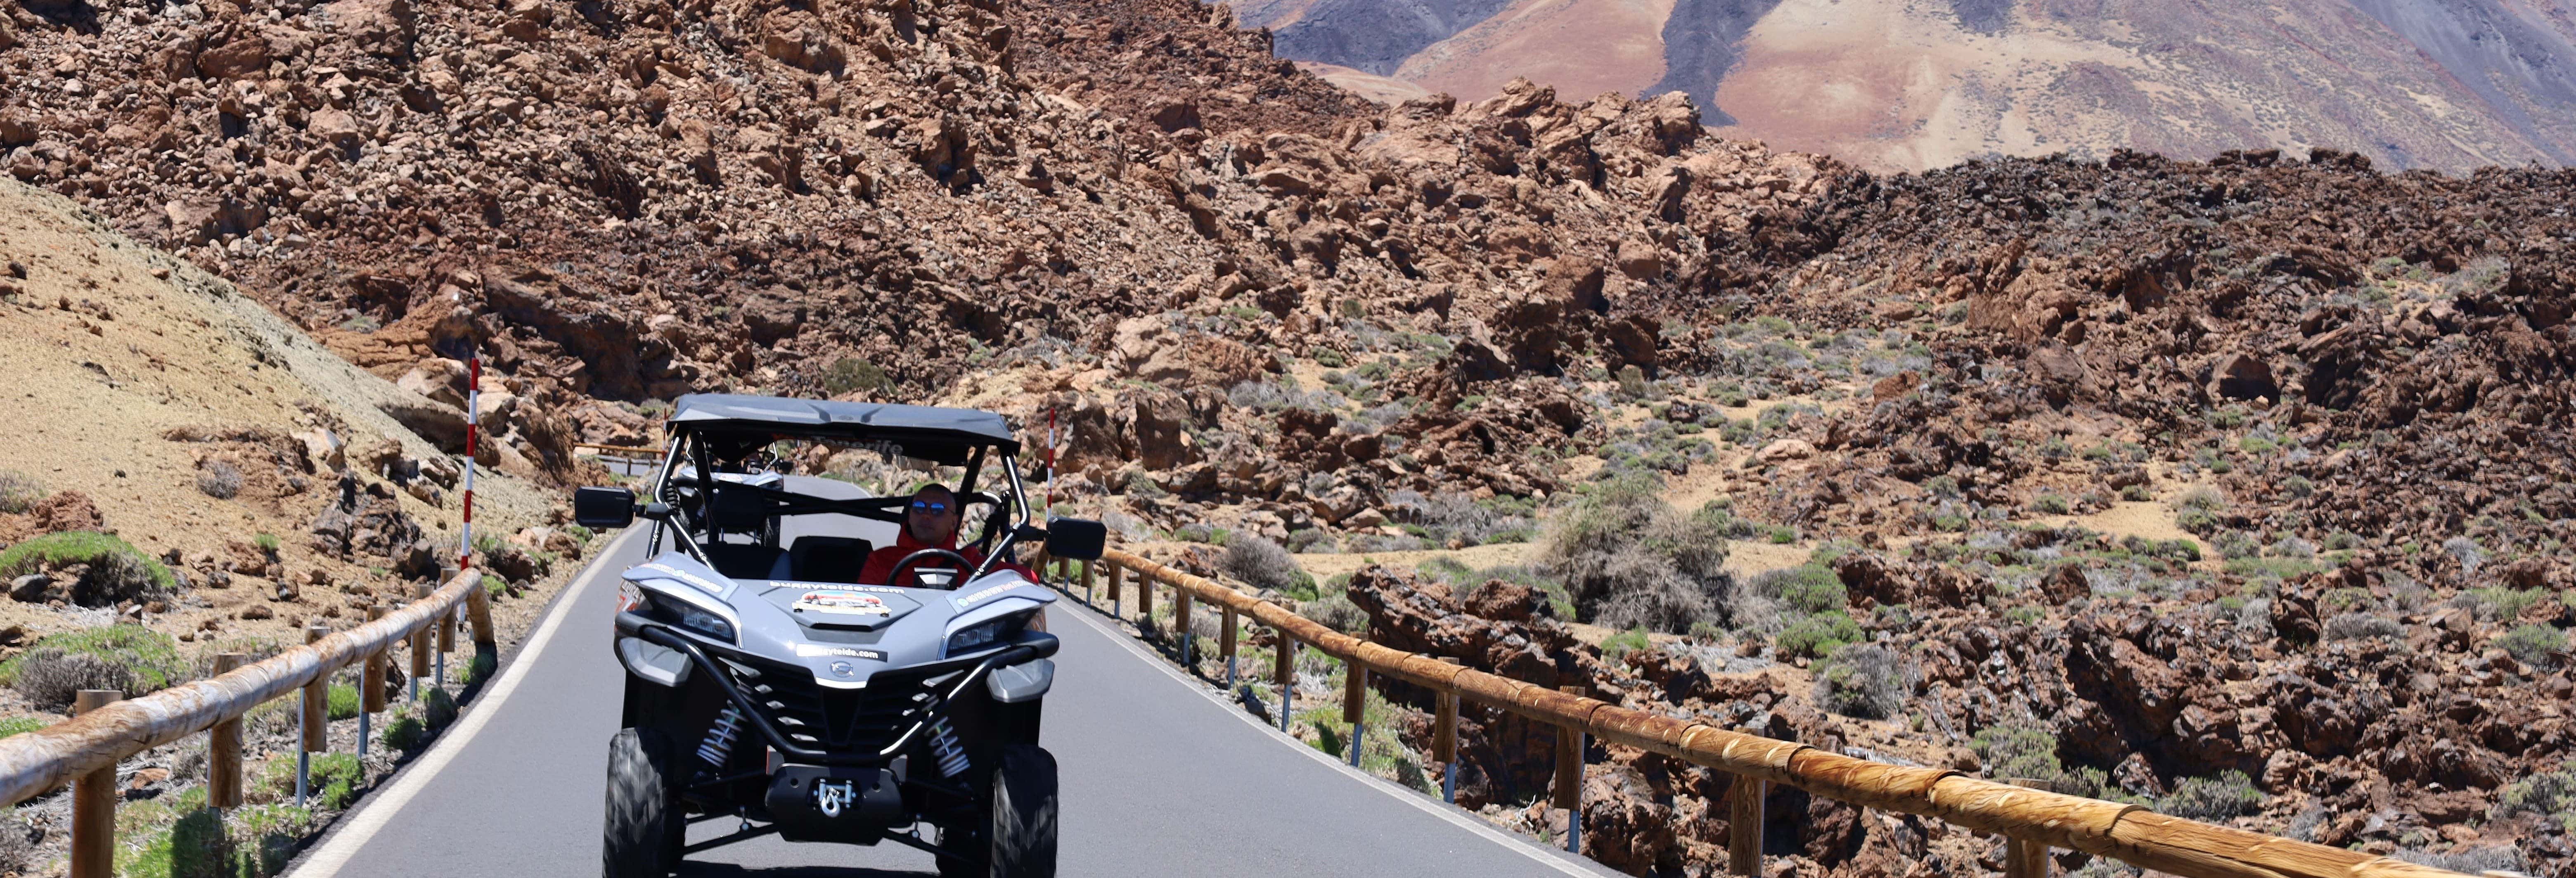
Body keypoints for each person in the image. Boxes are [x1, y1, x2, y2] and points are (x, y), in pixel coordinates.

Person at [860, 484, 1030, 587]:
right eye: (919, 507)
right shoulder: (881, 560)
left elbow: (1028, 579)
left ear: (954, 523)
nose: (926, 515)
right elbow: (862, 609)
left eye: (937, 510)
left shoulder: (972, 563)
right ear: (909, 516)